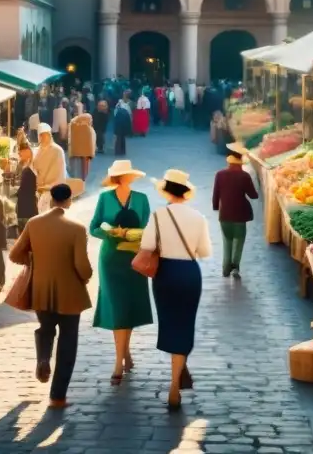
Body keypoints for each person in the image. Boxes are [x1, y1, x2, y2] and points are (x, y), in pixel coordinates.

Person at [9, 183, 92, 409]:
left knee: (46, 328)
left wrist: (35, 262)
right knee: (68, 339)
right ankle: (57, 396)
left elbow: (16, 254)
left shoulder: (35, 223)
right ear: (69, 201)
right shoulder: (76, 228)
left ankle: (43, 358)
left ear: (51, 199)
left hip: (41, 288)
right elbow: (82, 266)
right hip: (70, 292)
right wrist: (87, 276)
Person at [139, 169, 211, 410]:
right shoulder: (199, 217)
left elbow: (147, 245)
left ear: (167, 191)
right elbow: (204, 252)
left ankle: (175, 377)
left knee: (169, 322)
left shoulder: (158, 216)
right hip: (190, 273)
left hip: (166, 273)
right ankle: (177, 375)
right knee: (186, 322)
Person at [89, 160, 153, 385]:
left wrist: (132, 234)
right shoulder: (105, 198)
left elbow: (148, 228)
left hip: (135, 259)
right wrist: (111, 233)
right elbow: (94, 227)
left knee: (130, 306)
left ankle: (125, 353)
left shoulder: (142, 199)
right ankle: (119, 362)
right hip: (111, 260)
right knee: (117, 307)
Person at [212, 143, 258, 278]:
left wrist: (216, 207)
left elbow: (216, 195)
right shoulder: (244, 176)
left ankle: (225, 268)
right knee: (239, 240)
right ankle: (235, 267)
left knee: (227, 240)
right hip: (240, 214)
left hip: (224, 213)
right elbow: (253, 195)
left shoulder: (219, 174)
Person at [32, 122, 67, 213]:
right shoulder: (37, 151)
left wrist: (48, 187)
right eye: (41, 135)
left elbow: (60, 173)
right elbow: (34, 168)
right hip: (38, 190)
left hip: (52, 191)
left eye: (45, 135)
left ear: (50, 135)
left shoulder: (57, 150)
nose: (43, 137)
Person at [15, 144, 38, 233]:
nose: (19, 154)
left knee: (27, 232)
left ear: (27, 151)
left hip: (29, 206)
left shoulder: (34, 164)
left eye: (20, 152)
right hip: (23, 205)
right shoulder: (27, 164)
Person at [68, 112, 95, 180]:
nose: (91, 121)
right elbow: (92, 140)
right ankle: (81, 182)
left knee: (75, 170)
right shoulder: (88, 129)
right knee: (83, 171)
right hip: (86, 154)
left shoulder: (73, 126)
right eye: (90, 120)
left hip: (75, 153)